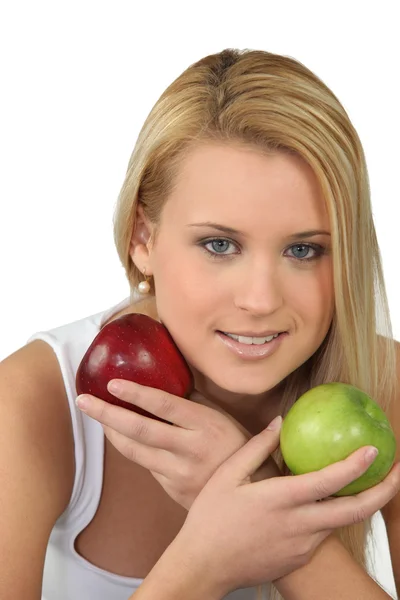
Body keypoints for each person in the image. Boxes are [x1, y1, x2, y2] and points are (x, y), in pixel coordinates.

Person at [1, 47, 399, 600]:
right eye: (219, 244)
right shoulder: (33, 401)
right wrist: (201, 565)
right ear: (144, 238)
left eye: (305, 250)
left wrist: (263, 509)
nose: (260, 300)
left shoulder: (382, 384)